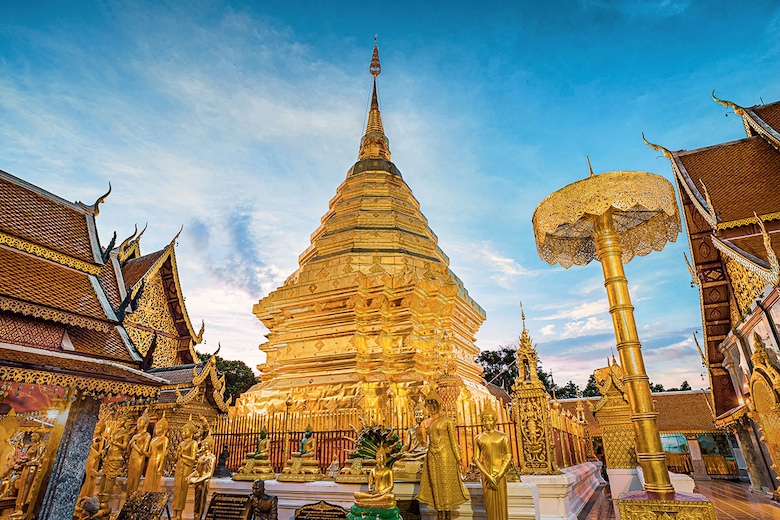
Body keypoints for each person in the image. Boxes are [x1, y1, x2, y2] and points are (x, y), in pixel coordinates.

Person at [416, 389, 468, 520]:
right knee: (435, 483)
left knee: (445, 482)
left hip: (446, 455)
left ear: (439, 405)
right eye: (429, 405)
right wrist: (420, 429)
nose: (431, 408)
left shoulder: (447, 421)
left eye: (434, 405)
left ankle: (447, 513)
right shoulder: (426, 422)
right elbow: (422, 443)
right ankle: (439, 512)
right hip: (432, 455)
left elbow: (453, 441)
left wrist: (458, 459)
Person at [473, 403, 511, 520]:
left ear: (495, 420)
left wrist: (499, 475)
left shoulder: (502, 436)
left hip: (500, 473)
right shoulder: (478, 438)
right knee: (489, 505)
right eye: (485, 420)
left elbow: (508, 456)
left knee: (501, 503)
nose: (487, 423)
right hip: (486, 475)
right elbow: (476, 459)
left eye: (490, 420)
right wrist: (488, 476)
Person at [172, 418, 199, 520]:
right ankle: (174, 513)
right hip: (179, 467)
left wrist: (183, 455)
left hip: (186, 468)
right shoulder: (181, 443)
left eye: (185, 431)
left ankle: (179, 514)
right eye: (182, 431)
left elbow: (192, 458)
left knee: (182, 491)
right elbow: (176, 458)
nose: (183, 433)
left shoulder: (193, 443)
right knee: (176, 491)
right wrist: (168, 456)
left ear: (191, 432)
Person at [187, 434, 216, 520]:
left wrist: (199, 479)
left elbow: (209, 473)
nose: (203, 446)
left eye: (206, 444)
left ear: (210, 446)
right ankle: (195, 517)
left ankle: (199, 517)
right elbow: (197, 470)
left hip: (204, 482)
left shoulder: (211, 457)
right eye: (203, 444)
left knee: (201, 503)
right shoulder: (201, 457)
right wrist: (190, 476)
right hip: (198, 481)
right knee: (196, 503)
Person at [142, 413, 170, 493]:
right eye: (156, 427)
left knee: (155, 482)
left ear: (164, 429)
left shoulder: (165, 439)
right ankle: (146, 495)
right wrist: (143, 451)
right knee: (148, 480)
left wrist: (161, 466)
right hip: (151, 461)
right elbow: (149, 453)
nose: (157, 429)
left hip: (158, 461)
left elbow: (164, 453)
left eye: (159, 428)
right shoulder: (153, 439)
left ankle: (153, 497)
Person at [126, 409, 151, 495]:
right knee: (129, 479)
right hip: (132, 458)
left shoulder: (147, 435)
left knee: (135, 480)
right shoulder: (135, 435)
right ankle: (127, 496)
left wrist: (134, 444)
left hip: (139, 459)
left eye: (140, 422)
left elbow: (142, 451)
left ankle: (132, 497)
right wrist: (131, 444)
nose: (137, 424)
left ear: (145, 424)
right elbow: (128, 449)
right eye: (137, 422)